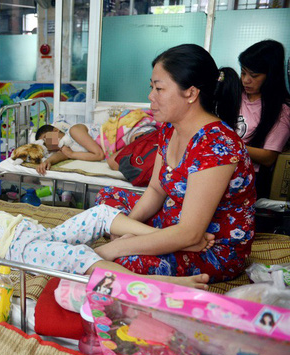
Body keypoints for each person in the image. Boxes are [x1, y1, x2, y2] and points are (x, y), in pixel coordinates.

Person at [95, 44, 256, 283]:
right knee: (106, 200)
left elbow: (190, 231)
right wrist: (126, 232)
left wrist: (114, 249)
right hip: (176, 220)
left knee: (123, 261)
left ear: (191, 93)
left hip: (211, 244)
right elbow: (155, 189)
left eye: (159, 88)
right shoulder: (170, 129)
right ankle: (156, 236)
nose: (150, 96)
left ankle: (158, 248)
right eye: (151, 87)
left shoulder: (217, 145)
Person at [0, 188, 212, 290]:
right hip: (22, 251)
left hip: (39, 232)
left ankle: (169, 237)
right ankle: (160, 286)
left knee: (100, 213)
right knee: (82, 258)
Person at [236, 40, 290, 198]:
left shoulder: (281, 110)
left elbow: (268, 157)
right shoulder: (236, 95)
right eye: (243, 72)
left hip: (249, 182)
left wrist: (229, 145)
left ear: (270, 75)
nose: (246, 80)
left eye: (254, 76)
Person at [35, 123, 105, 175]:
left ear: (56, 131)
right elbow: (60, 155)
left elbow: (99, 155)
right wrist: (47, 162)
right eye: (44, 143)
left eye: (45, 138)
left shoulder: (74, 130)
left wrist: (72, 154)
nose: (47, 143)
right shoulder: (65, 148)